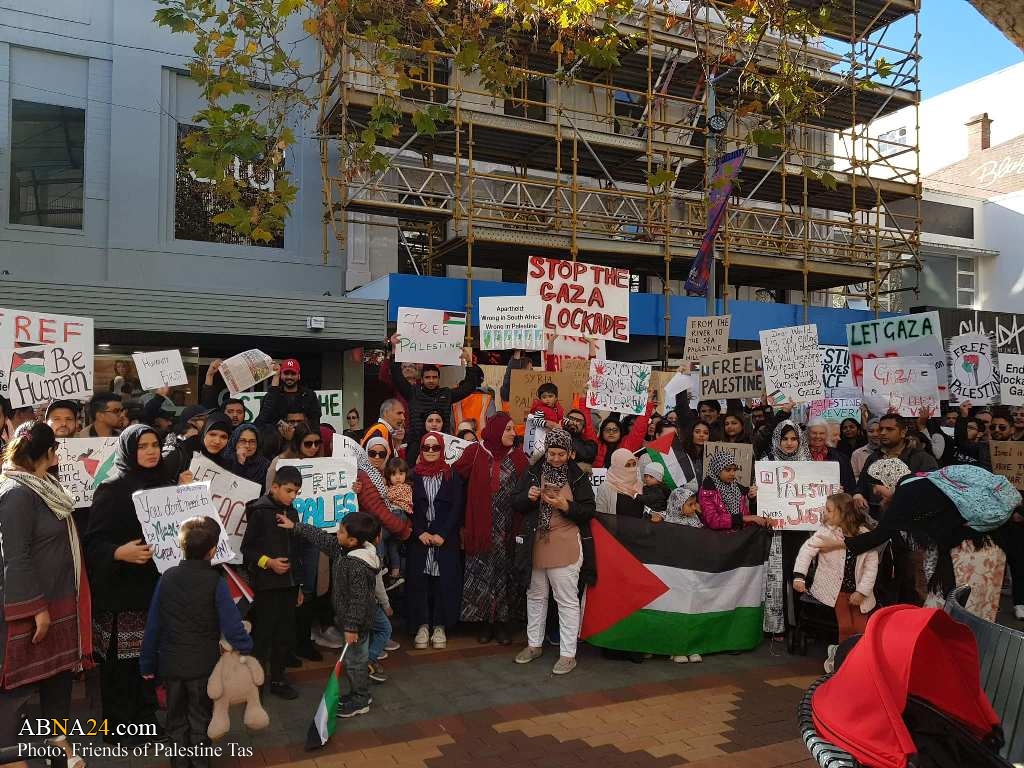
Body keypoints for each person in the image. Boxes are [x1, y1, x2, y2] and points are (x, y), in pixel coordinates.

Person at [0, 422, 92, 757]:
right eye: (57, 447)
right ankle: (11, 756)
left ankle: (59, 751)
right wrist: (35, 608)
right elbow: (15, 556)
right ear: (49, 453)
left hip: (58, 602)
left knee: (58, 681)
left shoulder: (44, 484)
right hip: (33, 609)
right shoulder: (16, 494)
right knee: (18, 690)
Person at [140, 516, 252, 765]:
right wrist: (245, 647)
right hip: (204, 667)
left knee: (176, 722)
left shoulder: (167, 578)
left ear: (182, 547)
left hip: (170, 665)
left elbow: (154, 625)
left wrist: (147, 664)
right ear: (212, 551)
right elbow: (232, 625)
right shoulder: (216, 582)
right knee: (201, 721)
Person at [85, 425, 170, 742]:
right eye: (143, 446)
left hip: (154, 590)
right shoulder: (112, 489)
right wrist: (119, 552)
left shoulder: (165, 486)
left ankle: (146, 719)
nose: (151, 451)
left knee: (148, 660)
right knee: (121, 665)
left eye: (155, 445)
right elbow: (93, 544)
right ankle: (119, 726)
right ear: (128, 450)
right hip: (121, 594)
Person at [277, 511, 382, 719]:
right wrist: (296, 526)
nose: (337, 533)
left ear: (353, 540)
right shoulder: (346, 550)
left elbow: (359, 601)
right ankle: (360, 694)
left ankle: (361, 699)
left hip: (357, 625)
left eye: (341, 531)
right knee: (354, 660)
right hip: (351, 621)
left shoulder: (357, 565)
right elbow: (323, 539)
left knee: (355, 662)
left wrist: (351, 628)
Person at [512, 428, 596, 676]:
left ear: (570, 453)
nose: (556, 458)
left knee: (566, 599)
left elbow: (589, 510)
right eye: (552, 453)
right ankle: (534, 645)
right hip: (536, 542)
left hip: (565, 542)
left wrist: (566, 506)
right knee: (536, 595)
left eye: (561, 454)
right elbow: (515, 501)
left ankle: (568, 654)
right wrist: (528, 497)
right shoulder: (533, 471)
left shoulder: (577, 476)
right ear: (545, 452)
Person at [457, 413, 529, 645]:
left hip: (508, 528)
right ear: (496, 430)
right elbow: (454, 477)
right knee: (483, 576)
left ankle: (503, 624)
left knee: (505, 576)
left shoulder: (519, 458)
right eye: (507, 429)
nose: (512, 433)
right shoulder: (475, 452)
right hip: (482, 528)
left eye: (512, 429)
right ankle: (485, 624)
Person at [241, 465, 304, 699]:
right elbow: (247, 549)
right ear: (274, 486)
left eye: (296, 492)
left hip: (289, 585)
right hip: (267, 584)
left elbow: (296, 551)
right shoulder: (259, 511)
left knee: (284, 633)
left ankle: (278, 678)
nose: (292, 496)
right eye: (288, 491)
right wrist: (269, 563)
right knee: (264, 634)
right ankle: (255, 682)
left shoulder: (293, 513)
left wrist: (298, 585)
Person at [793, 493, 878, 645]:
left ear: (842, 513)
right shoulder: (825, 532)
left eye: (829, 509)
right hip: (836, 590)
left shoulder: (865, 536)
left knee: (862, 629)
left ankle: (860, 660)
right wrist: (799, 576)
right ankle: (843, 659)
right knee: (845, 627)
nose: (824, 512)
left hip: (859, 591)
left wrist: (862, 592)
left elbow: (871, 568)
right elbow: (807, 550)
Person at [388, 333, 484, 464]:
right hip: (416, 446)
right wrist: (394, 351)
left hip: (442, 446)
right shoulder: (412, 392)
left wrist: (469, 363)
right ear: (421, 379)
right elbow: (397, 377)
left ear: (439, 379)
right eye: (427, 377)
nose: (431, 380)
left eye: (434, 377)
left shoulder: (446, 394)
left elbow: (468, 387)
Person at [408, 432, 465, 650]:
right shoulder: (412, 476)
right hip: (420, 539)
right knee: (420, 582)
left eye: (435, 448)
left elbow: (457, 507)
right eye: (426, 448)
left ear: (442, 450)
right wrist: (419, 532)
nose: (431, 452)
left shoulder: (452, 476)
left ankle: (440, 625)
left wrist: (442, 534)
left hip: (445, 538)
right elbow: (406, 507)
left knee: (443, 582)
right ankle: (422, 625)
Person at [854, 414, 938, 517]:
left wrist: (894, 496)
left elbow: (931, 490)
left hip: (911, 519)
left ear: (903, 432)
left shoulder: (921, 458)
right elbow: (862, 484)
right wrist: (858, 495)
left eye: (889, 429)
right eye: (881, 429)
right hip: (876, 518)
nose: (883, 433)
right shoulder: (873, 458)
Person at [698, 452, 764, 530]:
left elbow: (747, 513)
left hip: (740, 534)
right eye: (728, 470)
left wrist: (751, 498)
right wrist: (744, 518)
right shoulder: (708, 490)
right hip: (719, 538)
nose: (732, 473)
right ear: (717, 469)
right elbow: (713, 521)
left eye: (734, 470)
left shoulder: (736, 487)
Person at [256, 359, 321, 428]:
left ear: (299, 376)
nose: (289, 377)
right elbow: (263, 419)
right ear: (281, 375)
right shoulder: (272, 396)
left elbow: (315, 421)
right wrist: (276, 376)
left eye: (293, 374)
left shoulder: (310, 395)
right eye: (286, 373)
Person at [807, 418, 857, 493]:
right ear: (807, 434)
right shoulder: (797, 455)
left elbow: (850, 487)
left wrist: (842, 493)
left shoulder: (842, 458)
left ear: (827, 435)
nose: (818, 436)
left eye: (821, 433)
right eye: (814, 433)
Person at [382, 458, 411, 587]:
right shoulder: (397, 486)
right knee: (393, 546)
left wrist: (382, 485)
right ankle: (395, 572)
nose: (398, 477)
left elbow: (388, 495)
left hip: (398, 515)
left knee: (380, 536)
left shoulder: (404, 487)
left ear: (406, 474)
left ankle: (380, 563)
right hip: (399, 517)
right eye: (394, 474)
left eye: (401, 474)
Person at [266, 422, 320, 490]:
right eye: (308, 444)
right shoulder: (279, 462)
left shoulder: (320, 461)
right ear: (298, 442)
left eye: (317, 443)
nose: (313, 447)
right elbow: (269, 490)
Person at [595, 448, 645, 517]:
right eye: (627, 465)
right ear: (617, 466)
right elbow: (600, 516)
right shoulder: (605, 488)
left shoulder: (641, 485)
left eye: (634, 464)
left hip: (640, 527)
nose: (632, 468)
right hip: (614, 527)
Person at [227, 422, 271, 486]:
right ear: (235, 442)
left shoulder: (265, 466)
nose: (247, 446)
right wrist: (239, 463)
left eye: (252, 441)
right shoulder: (224, 460)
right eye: (242, 441)